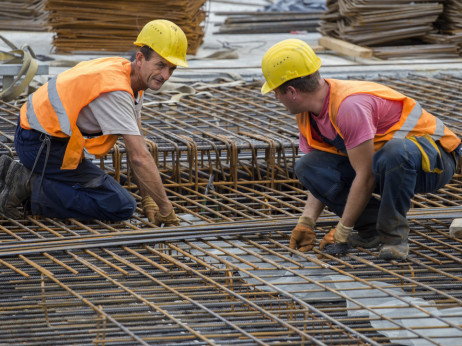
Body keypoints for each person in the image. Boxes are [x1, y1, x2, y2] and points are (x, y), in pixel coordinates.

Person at [261, 39, 461, 260]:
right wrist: (306, 222)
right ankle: (372, 228)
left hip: (433, 161)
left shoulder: (348, 106)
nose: (275, 97)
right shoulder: (308, 114)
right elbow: (324, 175)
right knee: (308, 166)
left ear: (291, 92)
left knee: (394, 153)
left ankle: (393, 239)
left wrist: (342, 231)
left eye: (275, 91)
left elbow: (365, 176)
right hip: (384, 165)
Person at [0, 19, 187, 226]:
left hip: (41, 136)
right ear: (141, 58)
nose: (166, 75)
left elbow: (139, 145)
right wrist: (166, 209)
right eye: (161, 65)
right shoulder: (116, 91)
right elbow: (139, 157)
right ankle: (28, 185)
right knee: (120, 205)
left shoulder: (128, 73)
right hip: (39, 145)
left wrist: (149, 198)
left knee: (105, 193)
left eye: (172, 68)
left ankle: (21, 176)